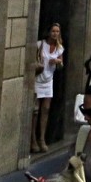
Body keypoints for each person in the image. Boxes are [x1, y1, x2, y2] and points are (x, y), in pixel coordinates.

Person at [33, 22, 65, 153]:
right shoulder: (40, 44)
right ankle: (33, 139)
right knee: (35, 111)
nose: (55, 34)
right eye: (53, 31)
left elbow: (61, 66)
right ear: (48, 32)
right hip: (37, 80)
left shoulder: (59, 48)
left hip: (48, 81)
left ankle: (42, 138)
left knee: (45, 110)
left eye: (57, 31)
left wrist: (58, 62)